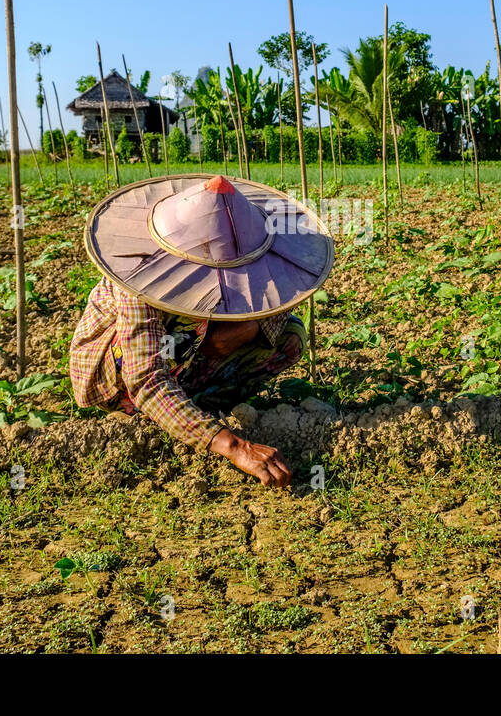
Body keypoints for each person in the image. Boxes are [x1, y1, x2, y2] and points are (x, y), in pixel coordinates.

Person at [70, 174, 334, 488]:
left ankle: (195, 406)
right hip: (116, 378)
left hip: (186, 358)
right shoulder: (137, 279)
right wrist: (235, 447)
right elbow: (145, 376)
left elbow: (273, 318)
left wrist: (245, 330)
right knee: (193, 328)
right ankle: (156, 415)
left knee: (288, 334)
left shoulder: (253, 264)